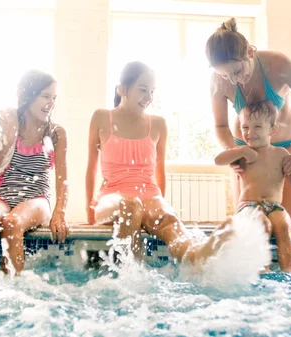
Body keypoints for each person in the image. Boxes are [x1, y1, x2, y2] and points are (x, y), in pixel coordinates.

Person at [86, 61, 232, 264]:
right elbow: (91, 168)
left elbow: (159, 173)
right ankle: (133, 275)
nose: (149, 98)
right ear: (122, 89)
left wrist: (158, 209)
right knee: (131, 206)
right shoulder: (101, 118)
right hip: (111, 197)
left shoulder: (158, 124)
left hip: (149, 195)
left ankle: (198, 254)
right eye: (143, 90)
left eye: (152, 91)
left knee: (169, 220)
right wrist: (90, 215)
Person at [206, 17, 291, 225]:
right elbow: (220, 125)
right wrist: (233, 153)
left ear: (250, 52)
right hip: (247, 152)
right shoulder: (219, 80)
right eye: (225, 75)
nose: (233, 80)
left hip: (285, 149)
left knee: (289, 219)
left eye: (236, 72)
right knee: (248, 222)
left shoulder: (278, 64)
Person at [0, 70, 69, 275]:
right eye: (45, 96)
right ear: (28, 95)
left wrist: (59, 212)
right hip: (1, 192)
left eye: (54, 97)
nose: (51, 103)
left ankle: (13, 289)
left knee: (13, 223)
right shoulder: (10, 126)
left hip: (36, 197)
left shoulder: (56, 133)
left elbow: (62, 179)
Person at [215, 100, 291, 272]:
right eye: (245, 127)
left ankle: (289, 271)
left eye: (257, 127)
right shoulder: (244, 154)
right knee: (262, 225)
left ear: (272, 130)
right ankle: (262, 271)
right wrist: (240, 151)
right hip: (248, 206)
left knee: (284, 223)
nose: (250, 133)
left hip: (274, 206)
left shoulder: (281, 154)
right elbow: (218, 160)